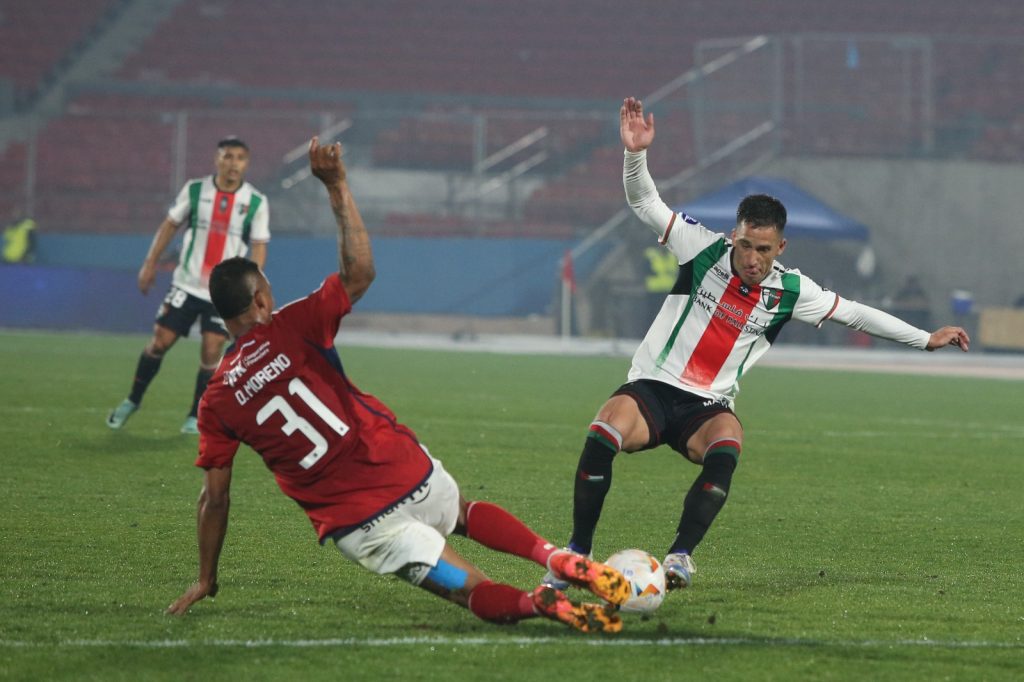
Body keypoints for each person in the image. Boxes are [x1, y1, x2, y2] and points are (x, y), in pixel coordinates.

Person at [166, 138, 629, 634]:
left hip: (364, 525)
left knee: (466, 585)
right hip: (404, 469)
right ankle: (553, 555)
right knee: (464, 513)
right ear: (260, 298)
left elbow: (215, 499)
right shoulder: (293, 324)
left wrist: (206, 577)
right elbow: (359, 273)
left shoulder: (216, 399)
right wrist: (338, 186)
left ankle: (537, 605)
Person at [543, 97, 970, 594]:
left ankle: (680, 555)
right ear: (734, 235)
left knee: (728, 442)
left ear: (780, 248)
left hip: (707, 406)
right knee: (602, 432)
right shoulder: (702, 248)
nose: (751, 257)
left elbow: (854, 312)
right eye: (745, 245)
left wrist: (924, 339)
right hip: (653, 388)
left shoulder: (791, 290)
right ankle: (578, 551)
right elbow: (645, 203)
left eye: (763, 249)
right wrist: (635, 154)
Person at [106, 137, 270, 434]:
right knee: (160, 341)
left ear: (247, 163)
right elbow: (170, 224)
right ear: (217, 159)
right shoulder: (196, 190)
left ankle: (194, 416)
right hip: (186, 284)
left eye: (240, 158)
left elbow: (258, 248)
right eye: (227, 156)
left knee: (212, 349)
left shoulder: (256, 202)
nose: (233, 163)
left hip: (222, 293)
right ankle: (132, 400)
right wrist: (150, 262)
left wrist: (253, 289)